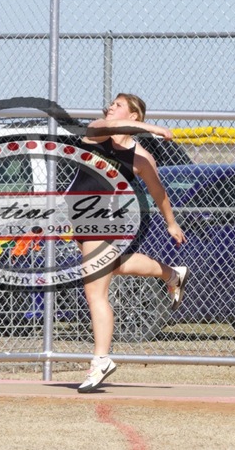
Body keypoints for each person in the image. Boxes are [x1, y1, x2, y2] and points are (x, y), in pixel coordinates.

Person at [68, 93, 188, 393]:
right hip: (82, 223)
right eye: (111, 103)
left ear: (134, 115)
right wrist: (153, 129)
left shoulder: (141, 158)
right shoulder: (97, 134)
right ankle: (171, 274)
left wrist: (171, 222)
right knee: (116, 265)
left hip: (104, 222)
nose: (111, 107)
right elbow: (101, 124)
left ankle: (101, 360)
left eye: (119, 105)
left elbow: (159, 192)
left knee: (95, 292)